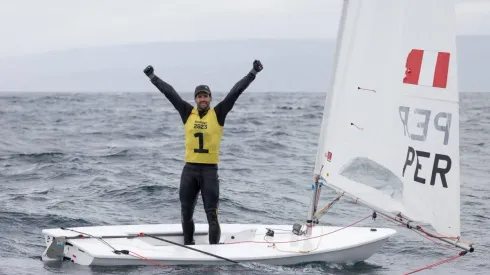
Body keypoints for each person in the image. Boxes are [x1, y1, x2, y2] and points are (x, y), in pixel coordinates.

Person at [143, 60, 263, 245]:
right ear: (195, 99)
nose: (203, 99)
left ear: (210, 98)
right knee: (186, 212)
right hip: (189, 170)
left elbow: (236, 91)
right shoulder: (187, 112)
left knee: (211, 214)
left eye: (205, 96)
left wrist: (253, 72)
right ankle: (188, 246)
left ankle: (214, 252)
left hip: (209, 172)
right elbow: (170, 93)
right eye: (199, 96)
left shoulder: (218, 113)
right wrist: (153, 77)